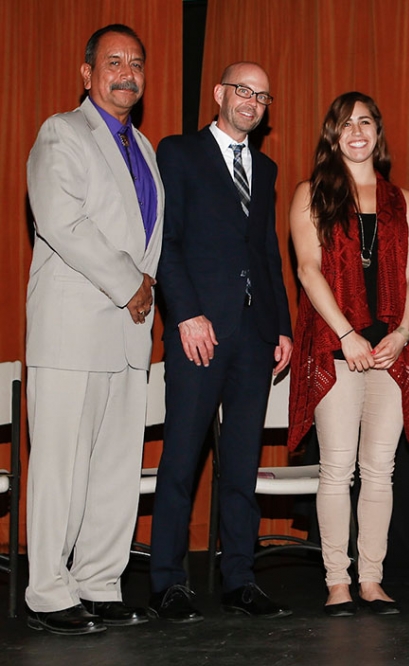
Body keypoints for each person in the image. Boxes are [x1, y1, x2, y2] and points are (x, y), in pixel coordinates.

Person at [24, 24, 163, 635]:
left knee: (114, 466)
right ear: (87, 73)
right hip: (73, 329)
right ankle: (49, 591)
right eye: (113, 61)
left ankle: (100, 581)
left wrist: (145, 291)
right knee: (62, 465)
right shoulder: (62, 133)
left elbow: (148, 239)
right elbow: (63, 221)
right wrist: (130, 283)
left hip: (130, 335)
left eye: (135, 61)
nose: (126, 72)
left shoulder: (148, 149)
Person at [149, 62, 292, 622]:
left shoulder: (266, 167)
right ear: (219, 94)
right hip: (198, 334)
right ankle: (167, 582)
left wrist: (280, 325)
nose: (252, 102)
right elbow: (166, 242)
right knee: (182, 459)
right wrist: (186, 315)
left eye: (262, 95)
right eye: (243, 91)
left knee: (241, 465)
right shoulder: (179, 153)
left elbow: (266, 254)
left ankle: (239, 579)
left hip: (254, 338)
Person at [288, 92, 409, 617]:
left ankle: (371, 580)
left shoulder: (404, 201)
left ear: (378, 133)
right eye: (345, 124)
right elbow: (308, 269)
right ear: (333, 134)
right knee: (336, 469)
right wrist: (348, 334)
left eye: (365, 122)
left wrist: (404, 332)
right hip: (335, 348)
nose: (356, 131)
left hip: (392, 350)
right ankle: (336, 583)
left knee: (379, 470)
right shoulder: (311, 194)